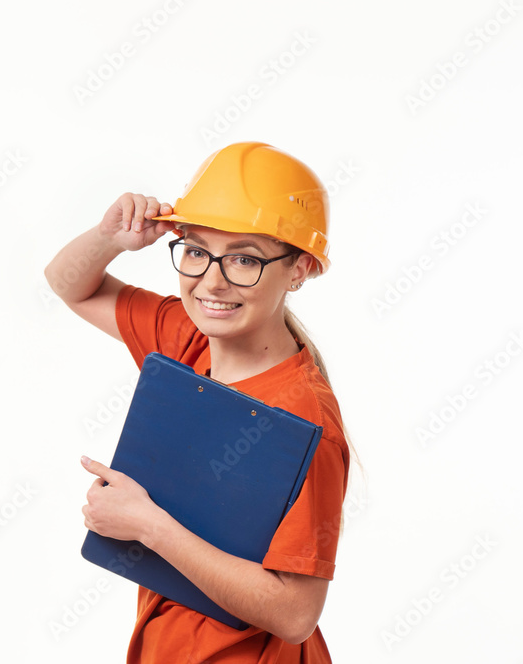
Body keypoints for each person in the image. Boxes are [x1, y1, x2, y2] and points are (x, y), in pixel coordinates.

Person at [44, 141, 354, 663]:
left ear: (299, 268)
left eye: (244, 259)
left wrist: (146, 525)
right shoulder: (187, 340)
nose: (211, 280)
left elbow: (296, 615)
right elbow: (71, 285)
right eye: (196, 250)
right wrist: (108, 239)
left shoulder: (305, 420)